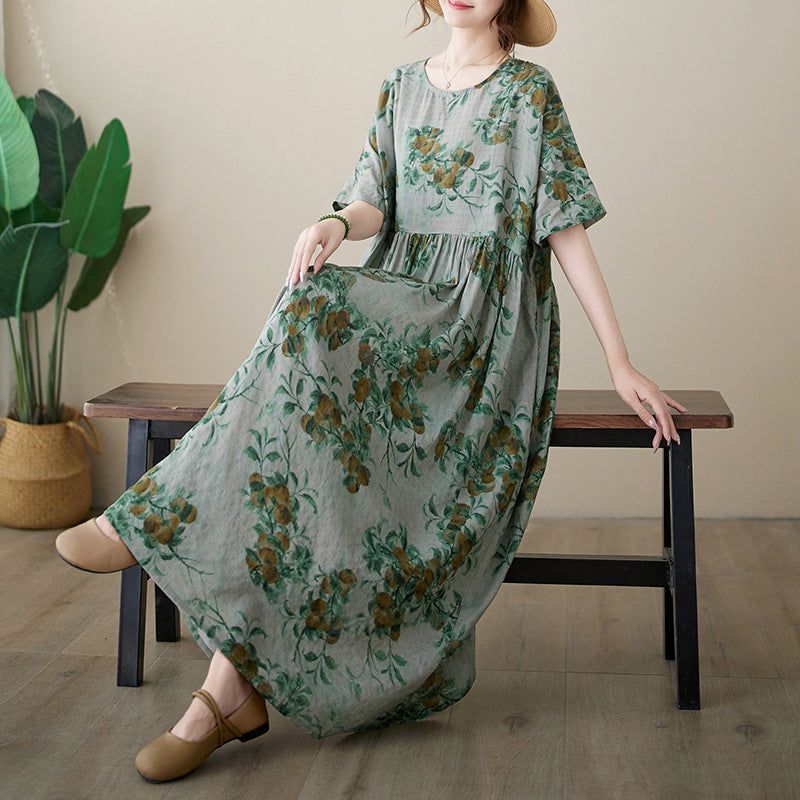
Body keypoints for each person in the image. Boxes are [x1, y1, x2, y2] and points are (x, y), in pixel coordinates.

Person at [55, 0, 687, 784]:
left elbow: (565, 228)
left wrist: (620, 361)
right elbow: (371, 199)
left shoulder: (530, 93)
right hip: (402, 308)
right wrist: (333, 223)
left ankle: (152, 532)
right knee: (304, 351)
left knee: (311, 325)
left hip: (478, 331)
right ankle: (223, 693)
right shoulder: (401, 86)